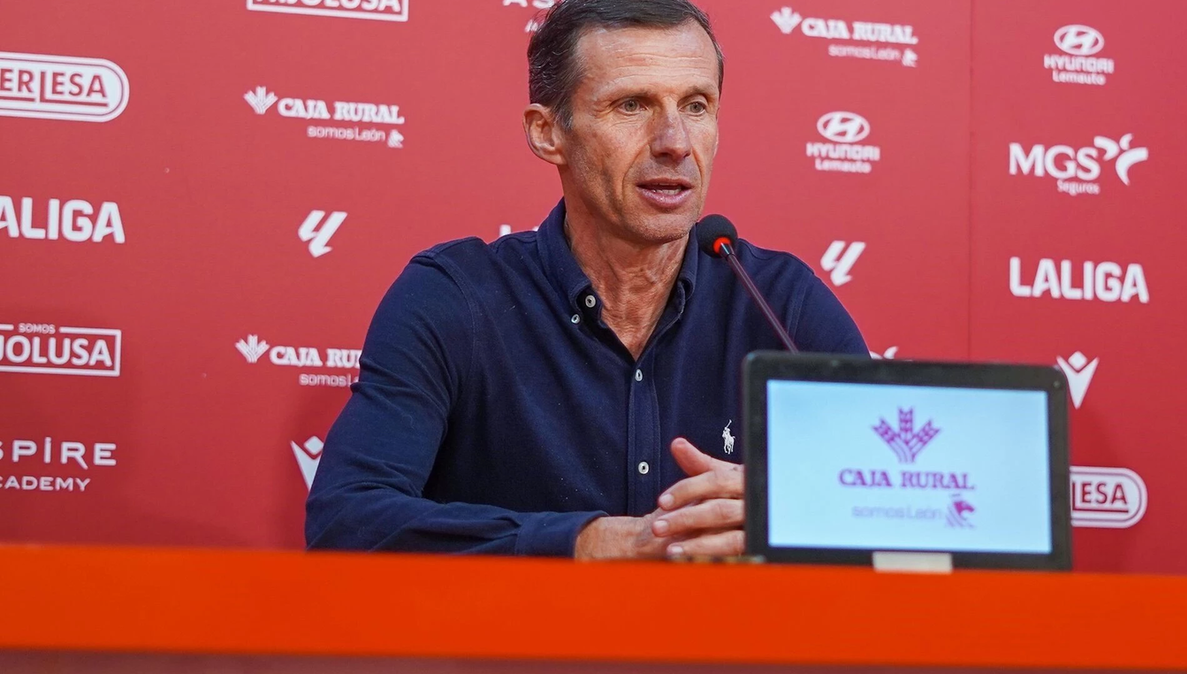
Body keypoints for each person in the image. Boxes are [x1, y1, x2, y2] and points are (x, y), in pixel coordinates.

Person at [304, 0, 867, 559]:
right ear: (548, 133)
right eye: (631, 105)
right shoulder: (455, 298)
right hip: (520, 645)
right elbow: (348, 520)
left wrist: (782, 513)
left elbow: (901, 514)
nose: (674, 142)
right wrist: (591, 543)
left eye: (696, 105)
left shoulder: (779, 303)